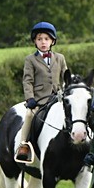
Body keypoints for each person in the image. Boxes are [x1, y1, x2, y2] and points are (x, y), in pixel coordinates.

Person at [15, 21, 69, 164]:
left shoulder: (60, 58)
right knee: (29, 115)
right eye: (39, 39)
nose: (43, 42)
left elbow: (66, 77)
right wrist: (30, 98)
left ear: (52, 41)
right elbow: (27, 81)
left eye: (46, 39)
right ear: (35, 42)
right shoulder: (30, 60)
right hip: (39, 99)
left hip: (57, 98)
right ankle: (24, 145)